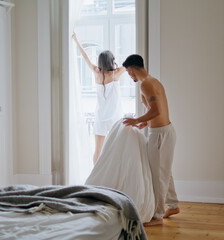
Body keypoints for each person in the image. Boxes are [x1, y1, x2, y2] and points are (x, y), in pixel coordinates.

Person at [122, 54, 180, 226]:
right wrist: (145, 122)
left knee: (158, 175)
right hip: (164, 131)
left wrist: (136, 120)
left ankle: (158, 215)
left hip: (160, 134)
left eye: (128, 72)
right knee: (164, 171)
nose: (129, 76)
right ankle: (173, 205)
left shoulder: (146, 84)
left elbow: (157, 110)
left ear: (131, 69)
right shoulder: (153, 81)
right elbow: (153, 110)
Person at [72, 33, 126, 164]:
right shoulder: (116, 73)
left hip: (100, 116)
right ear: (111, 61)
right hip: (114, 116)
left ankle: (95, 177)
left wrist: (76, 40)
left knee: (97, 150)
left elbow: (85, 56)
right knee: (116, 149)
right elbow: (130, 63)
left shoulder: (96, 72)